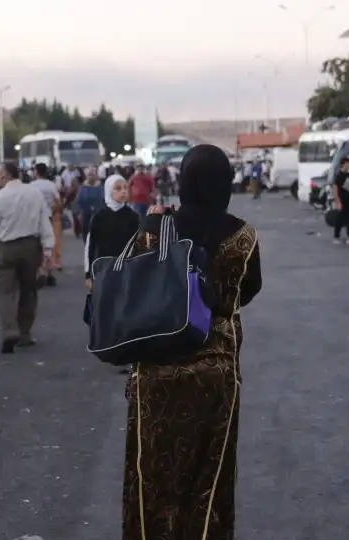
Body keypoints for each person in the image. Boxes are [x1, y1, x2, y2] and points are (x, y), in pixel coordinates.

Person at [122, 144, 262, 540]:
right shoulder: (243, 236)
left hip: (154, 369)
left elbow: (132, 284)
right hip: (215, 372)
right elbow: (247, 291)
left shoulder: (155, 229)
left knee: (151, 477)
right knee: (208, 481)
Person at [0, 162, 55, 354]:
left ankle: (9, 331)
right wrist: (48, 248)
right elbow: (44, 221)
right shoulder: (34, 194)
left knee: (5, 292)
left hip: (5, 248)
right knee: (29, 291)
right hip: (30, 247)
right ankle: (25, 333)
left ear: (4, 176)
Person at [84, 174, 138, 287]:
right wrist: (88, 274)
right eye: (118, 188)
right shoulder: (100, 216)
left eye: (125, 188)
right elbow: (91, 246)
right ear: (109, 190)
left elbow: (139, 244)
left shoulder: (133, 216)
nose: (123, 191)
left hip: (127, 269)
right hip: (104, 268)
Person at [30, 163, 62, 285]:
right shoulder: (51, 185)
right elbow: (59, 203)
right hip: (48, 217)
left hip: (34, 218)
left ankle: (38, 270)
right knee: (48, 244)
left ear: (36, 172)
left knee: (36, 245)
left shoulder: (31, 186)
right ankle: (49, 272)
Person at [73, 169, 105, 243]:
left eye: (92, 175)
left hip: (98, 211)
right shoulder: (83, 187)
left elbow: (104, 200)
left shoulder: (100, 187)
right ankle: (87, 244)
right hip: (85, 211)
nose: (91, 177)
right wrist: (77, 212)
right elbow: (78, 200)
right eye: (89, 175)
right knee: (85, 229)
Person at [333, 157, 349, 244]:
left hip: (348, 199)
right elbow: (335, 189)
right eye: (348, 163)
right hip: (341, 199)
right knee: (340, 219)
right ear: (344, 164)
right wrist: (338, 202)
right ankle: (336, 236)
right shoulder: (339, 176)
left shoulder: (348, 175)